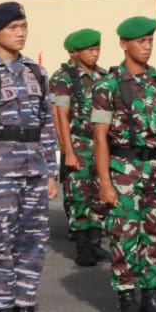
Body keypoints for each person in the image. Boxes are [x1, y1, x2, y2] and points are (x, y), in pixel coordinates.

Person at [92, 15, 156, 312]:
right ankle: (127, 302)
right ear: (124, 44)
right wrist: (105, 183)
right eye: (140, 42)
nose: (146, 47)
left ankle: (152, 298)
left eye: (149, 41)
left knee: (155, 234)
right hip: (123, 170)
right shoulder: (108, 85)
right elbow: (100, 138)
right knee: (124, 237)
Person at [0, 1, 61, 312]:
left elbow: (46, 124)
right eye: (13, 27)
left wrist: (50, 170)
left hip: (33, 171)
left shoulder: (35, 71)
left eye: (23, 26)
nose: (20, 32)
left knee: (32, 245)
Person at [51, 27, 110, 267]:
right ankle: (83, 247)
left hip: (101, 144)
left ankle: (95, 243)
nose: (95, 54)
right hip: (79, 142)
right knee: (79, 197)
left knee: (99, 195)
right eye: (90, 50)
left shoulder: (103, 75)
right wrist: (68, 150)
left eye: (97, 49)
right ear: (75, 53)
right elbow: (60, 116)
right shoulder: (63, 78)